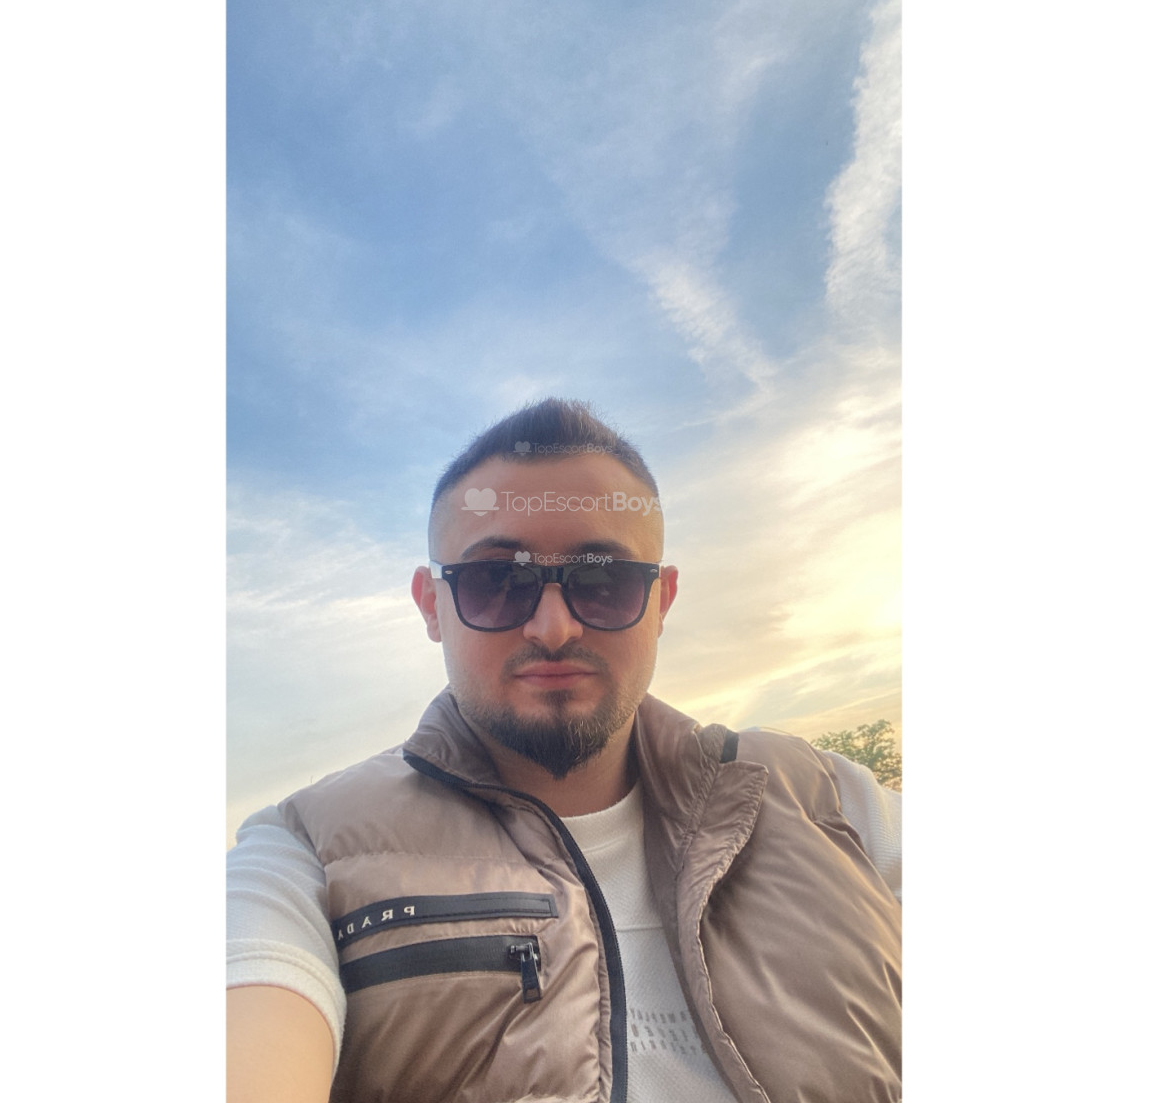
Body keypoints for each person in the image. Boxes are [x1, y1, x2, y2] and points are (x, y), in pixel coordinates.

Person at [227, 398, 902, 1103]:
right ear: (431, 605)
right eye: (496, 582)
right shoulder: (306, 849)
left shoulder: (823, 797)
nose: (553, 628)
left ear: (661, 601)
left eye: (603, 581)